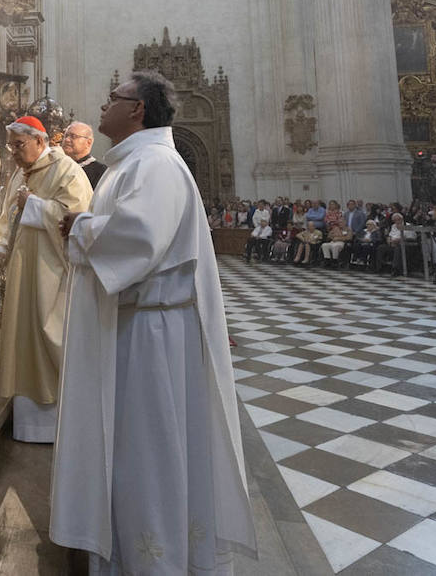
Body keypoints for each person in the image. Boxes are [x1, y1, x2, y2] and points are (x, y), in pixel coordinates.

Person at [52, 69, 255, 571]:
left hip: (151, 335)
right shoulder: (133, 161)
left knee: (148, 451)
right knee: (132, 449)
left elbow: (140, 241)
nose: (103, 106)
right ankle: (128, 547)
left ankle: (154, 559)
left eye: (112, 97)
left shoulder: (156, 164)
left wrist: (81, 225)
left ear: (137, 109)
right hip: (136, 327)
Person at [0, 115, 92, 443]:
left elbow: (78, 219)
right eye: (10, 146)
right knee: (23, 336)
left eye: (18, 145)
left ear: (40, 140)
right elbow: (7, 214)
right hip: (23, 270)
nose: (13, 153)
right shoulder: (21, 174)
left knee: (47, 332)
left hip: (50, 273)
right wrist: (3, 245)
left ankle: (58, 423)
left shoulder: (67, 170)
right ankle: (28, 420)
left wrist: (33, 205)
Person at [60, 120, 106, 189]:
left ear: (88, 142)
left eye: (73, 136)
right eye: (65, 136)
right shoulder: (58, 166)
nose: (67, 140)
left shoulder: (100, 172)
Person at [379, 213, 416, 277]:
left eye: (398, 220)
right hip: (393, 243)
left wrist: (399, 240)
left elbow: (411, 237)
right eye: (395, 220)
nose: (397, 222)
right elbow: (390, 235)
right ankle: (380, 267)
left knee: (398, 249)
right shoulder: (393, 226)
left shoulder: (408, 226)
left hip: (405, 245)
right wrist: (389, 241)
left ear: (401, 219)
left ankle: (396, 269)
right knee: (381, 247)